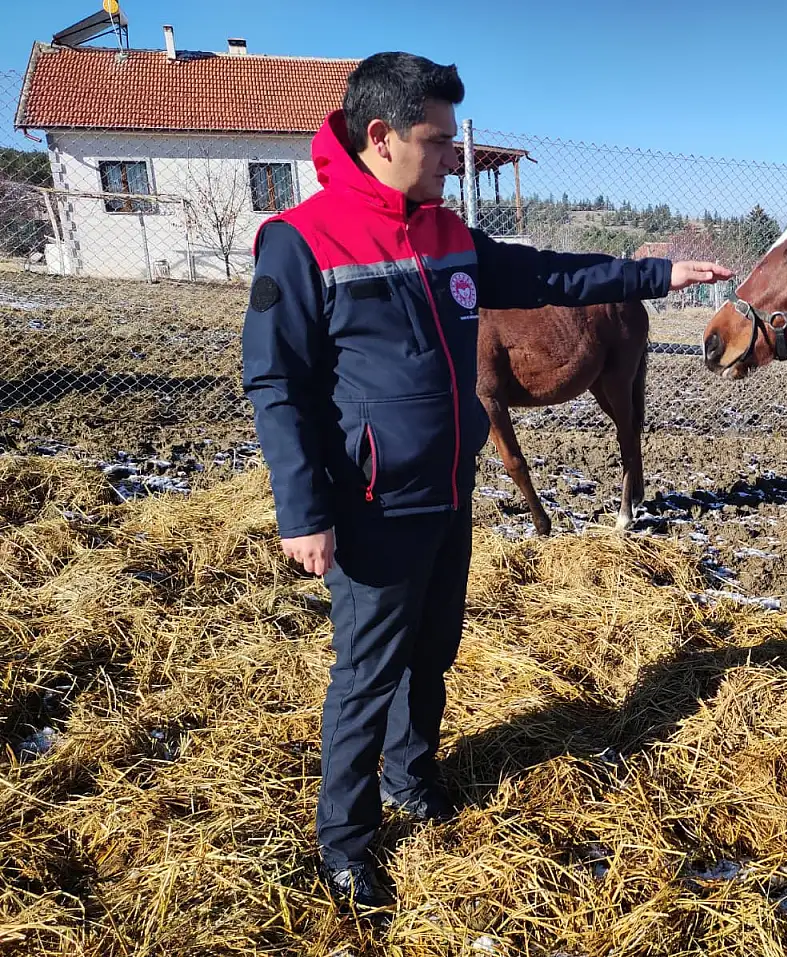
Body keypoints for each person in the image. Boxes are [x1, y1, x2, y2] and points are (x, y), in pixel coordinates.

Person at [240, 51, 732, 911]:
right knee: (367, 672)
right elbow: (276, 382)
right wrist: (301, 510)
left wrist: (656, 274)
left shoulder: (447, 233)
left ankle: (411, 775)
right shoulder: (302, 241)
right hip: (371, 502)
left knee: (433, 651)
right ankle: (345, 841)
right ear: (381, 137)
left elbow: (547, 274)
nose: (451, 159)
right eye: (437, 142)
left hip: (449, 489)